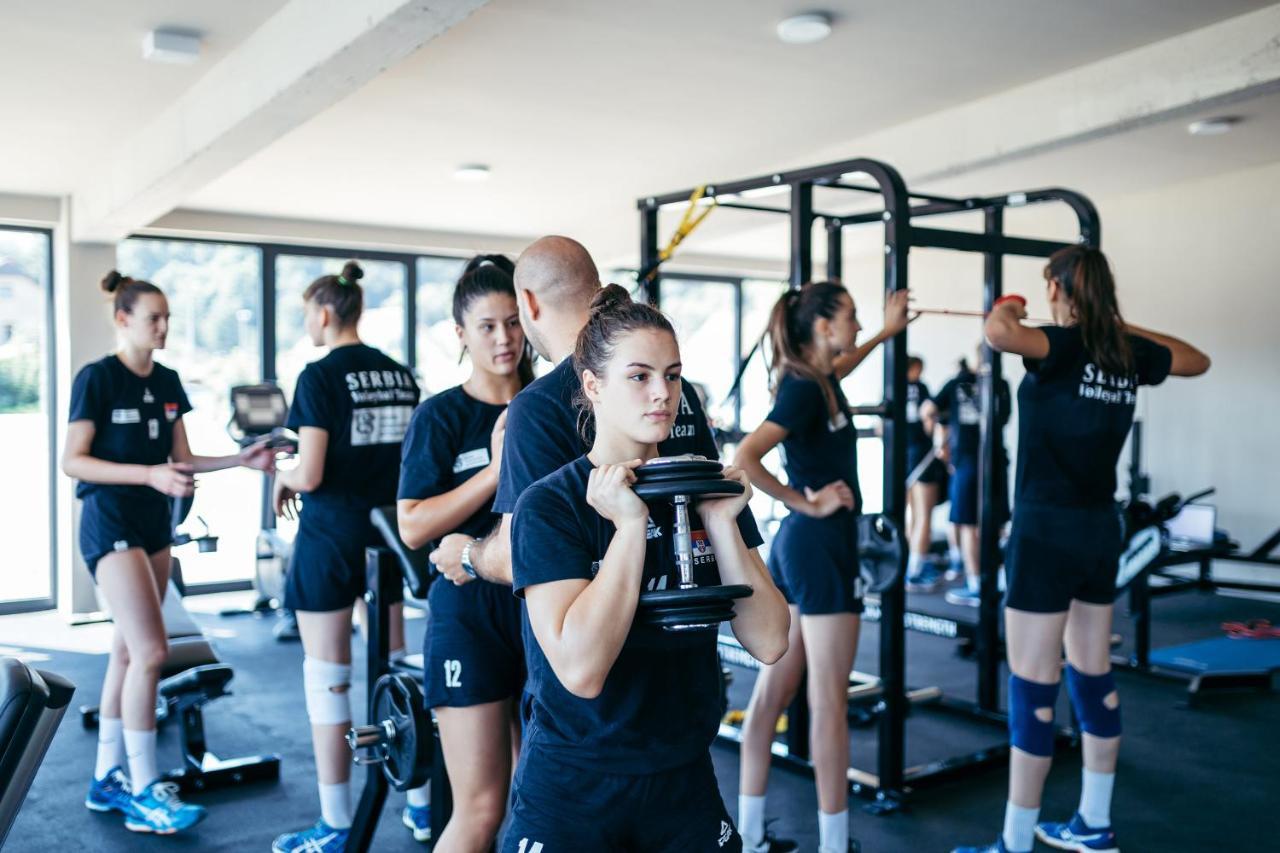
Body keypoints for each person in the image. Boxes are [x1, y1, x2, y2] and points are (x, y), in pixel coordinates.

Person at [505, 284, 791, 850]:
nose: (663, 393)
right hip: (576, 786)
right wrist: (630, 527)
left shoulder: (703, 491)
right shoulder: (551, 504)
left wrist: (725, 522)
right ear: (593, 385)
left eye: (673, 375)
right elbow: (581, 671)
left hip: (682, 778)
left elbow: (770, 640)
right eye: (639, 376)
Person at [953, 246, 1209, 853]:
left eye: (1049, 290)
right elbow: (1197, 360)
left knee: (1032, 686)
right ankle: (1093, 822)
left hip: (1046, 534)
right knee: (1092, 675)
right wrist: (1114, 326)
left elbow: (998, 332)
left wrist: (1011, 304)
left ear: (1063, 291)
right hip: (1100, 531)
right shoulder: (1128, 355)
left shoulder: (1063, 346)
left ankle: (1015, 842)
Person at [63, 270, 274, 834]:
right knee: (153, 652)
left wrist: (240, 461)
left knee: (128, 653)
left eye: (167, 317)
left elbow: (181, 459)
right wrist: (148, 475)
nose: (163, 327)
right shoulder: (98, 378)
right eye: (153, 317)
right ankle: (143, 788)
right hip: (109, 524)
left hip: (154, 525)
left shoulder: (169, 380)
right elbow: (73, 461)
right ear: (123, 319)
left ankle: (108, 778)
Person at [733, 282, 910, 853]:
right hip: (817, 544)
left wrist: (886, 330)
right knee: (828, 702)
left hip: (806, 547)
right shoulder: (806, 391)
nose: (856, 327)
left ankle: (753, 836)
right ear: (824, 328)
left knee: (774, 693)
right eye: (852, 318)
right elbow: (745, 457)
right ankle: (834, 844)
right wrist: (806, 500)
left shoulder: (820, 378)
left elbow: (849, 360)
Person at [270, 261, 421, 853]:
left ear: (325, 313)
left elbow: (308, 471)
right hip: (388, 537)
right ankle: (423, 807)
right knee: (397, 667)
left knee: (327, 678)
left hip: (331, 538)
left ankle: (335, 825)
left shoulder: (319, 375)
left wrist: (281, 475)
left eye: (309, 313)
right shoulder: (401, 375)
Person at [396, 255, 532, 850]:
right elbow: (413, 524)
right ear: (461, 334)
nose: (503, 339)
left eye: (512, 322)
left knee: (542, 802)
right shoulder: (442, 417)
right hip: (468, 614)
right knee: (480, 808)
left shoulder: (553, 407)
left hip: (542, 610)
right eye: (486, 326)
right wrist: (494, 472)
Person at [923, 350, 1011, 607]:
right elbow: (1003, 419)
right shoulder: (999, 383)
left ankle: (977, 585)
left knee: (971, 527)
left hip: (972, 463)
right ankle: (985, 582)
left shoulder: (961, 382)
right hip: (987, 461)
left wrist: (939, 438)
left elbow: (928, 411)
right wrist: (942, 441)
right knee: (984, 524)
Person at [903, 355, 947, 591]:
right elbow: (929, 418)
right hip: (922, 456)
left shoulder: (892, 386)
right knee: (923, 516)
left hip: (900, 458)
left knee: (910, 515)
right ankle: (915, 570)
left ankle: (910, 565)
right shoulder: (920, 388)